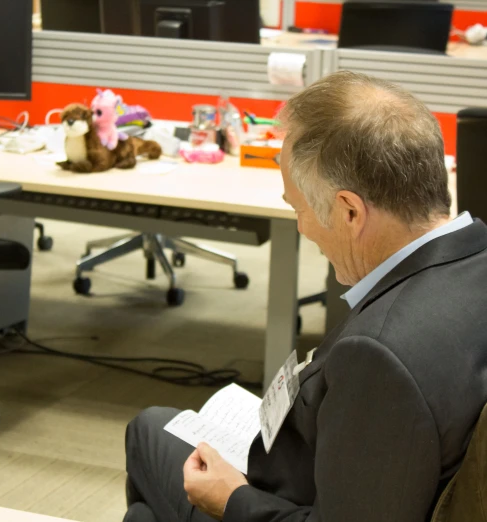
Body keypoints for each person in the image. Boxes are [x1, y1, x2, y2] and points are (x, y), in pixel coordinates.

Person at [123, 71, 487, 522]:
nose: (301, 226)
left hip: (292, 496)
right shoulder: (476, 258)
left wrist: (231, 498)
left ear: (350, 211)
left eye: (299, 208)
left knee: (148, 430)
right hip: (346, 467)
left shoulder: (380, 356)